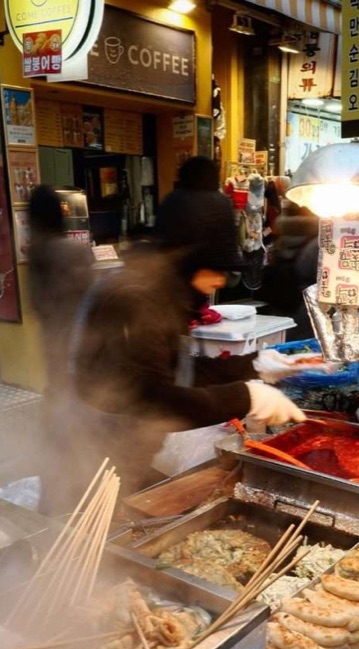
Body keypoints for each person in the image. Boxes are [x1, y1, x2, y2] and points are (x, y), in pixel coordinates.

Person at [69, 182, 305, 504]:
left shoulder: (159, 291)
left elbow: (178, 367)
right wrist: (247, 396)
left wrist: (256, 365)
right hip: (94, 455)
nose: (221, 281)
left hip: (123, 447)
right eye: (217, 268)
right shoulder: (137, 298)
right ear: (188, 260)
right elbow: (155, 401)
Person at [27, 185, 95, 515]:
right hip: (79, 355)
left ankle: (50, 505)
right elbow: (92, 303)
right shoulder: (73, 251)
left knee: (56, 425)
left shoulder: (35, 252)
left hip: (53, 351)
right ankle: (80, 504)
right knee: (80, 429)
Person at [259, 200, 319, 341]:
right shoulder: (318, 243)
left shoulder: (281, 237)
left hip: (279, 304)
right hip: (305, 310)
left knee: (280, 348)